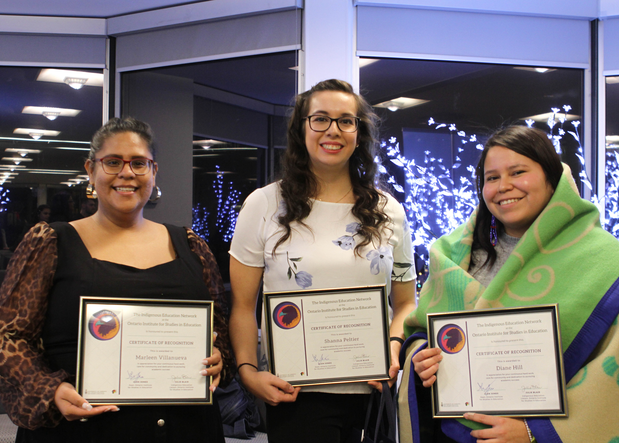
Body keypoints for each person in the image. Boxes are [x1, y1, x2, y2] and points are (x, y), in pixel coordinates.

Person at [398, 125, 619, 442]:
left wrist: (534, 432)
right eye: (492, 178)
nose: (503, 186)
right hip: (458, 433)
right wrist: (424, 356)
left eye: (517, 172)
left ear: (552, 180)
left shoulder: (600, 258)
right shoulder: (455, 254)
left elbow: (617, 375)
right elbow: (420, 330)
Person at [0, 117, 234, 443]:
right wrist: (48, 391)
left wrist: (217, 356)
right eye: (112, 162)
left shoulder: (191, 245)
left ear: (154, 171)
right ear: (90, 169)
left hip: (186, 428)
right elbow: (8, 337)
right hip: (80, 431)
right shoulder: (50, 242)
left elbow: (221, 330)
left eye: (139, 163)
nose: (126, 173)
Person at [229, 79, 417, 443]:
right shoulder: (264, 205)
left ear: (359, 133)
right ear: (302, 129)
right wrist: (249, 372)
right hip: (295, 393)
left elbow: (406, 303)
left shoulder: (387, 210)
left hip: (373, 392)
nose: (333, 130)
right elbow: (241, 306)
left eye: (346, 121)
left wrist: (393, 348)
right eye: (320, 119)